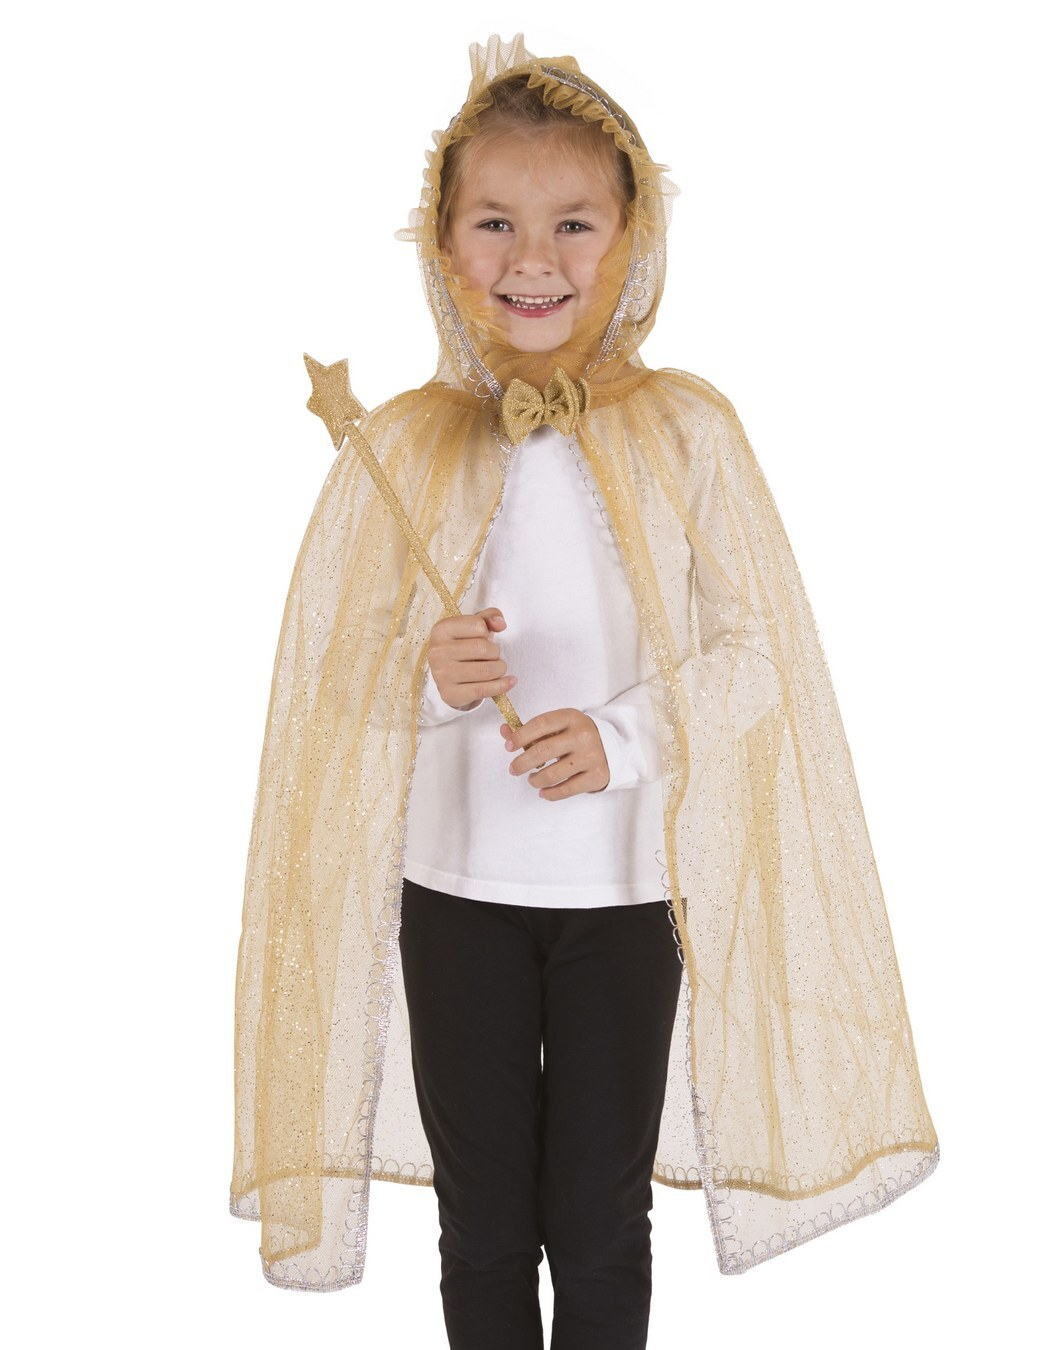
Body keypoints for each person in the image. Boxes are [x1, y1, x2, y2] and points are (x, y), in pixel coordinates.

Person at [229, 32, 940, 1346]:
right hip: (454, 894)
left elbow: (758, 653)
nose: (535, 258)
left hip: (623, 897)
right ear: (443, 243)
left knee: (601, 1219)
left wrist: (624, 736)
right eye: (495, 222)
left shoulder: (688, 433)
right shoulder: (406, 446)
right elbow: (336, 679)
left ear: (632, 238)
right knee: (484, 1225)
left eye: (573, 223)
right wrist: (425, 676)